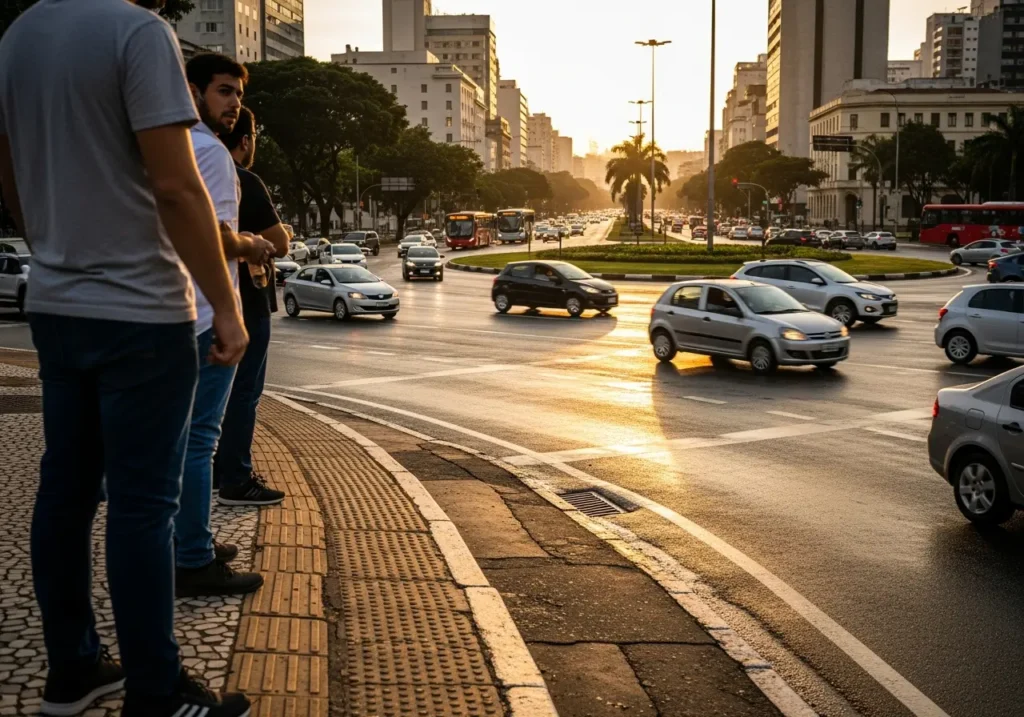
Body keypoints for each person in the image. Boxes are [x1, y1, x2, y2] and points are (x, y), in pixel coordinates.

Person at [0, 2, 252, 716]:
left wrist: (56, 247)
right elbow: (176, 186)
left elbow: (12, 175)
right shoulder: (137, 32)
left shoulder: (19, 35)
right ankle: (155, 689)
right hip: (142, 309)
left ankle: (73, 667)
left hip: (57, 303)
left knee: (66, 492)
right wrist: (225, 307)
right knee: (144, 505)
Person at [173, 53, 274, 599]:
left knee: (180, 441)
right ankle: (192, 557)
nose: (235, 104)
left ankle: (189, 540)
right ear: (192, 91)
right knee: (199, 443)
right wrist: (248, 246)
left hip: (175, 312)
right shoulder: (211, 153)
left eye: (237, 94)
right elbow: (205, 233)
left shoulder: (169, 145)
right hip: (208, 316)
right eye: (222, 92)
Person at [213, 107, 289, 507]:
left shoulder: (197, 170)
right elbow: (279, 241)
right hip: (247, 301)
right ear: (245, 140)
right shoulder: (245, 179)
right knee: (245, 393)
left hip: (208, 299)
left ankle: (212, 469)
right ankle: (236, 477)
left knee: (215, 396)